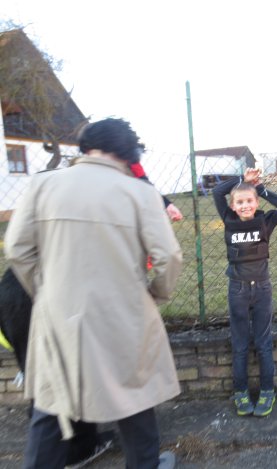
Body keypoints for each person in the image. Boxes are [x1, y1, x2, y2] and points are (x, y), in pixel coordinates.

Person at [4, 118, 183, 469]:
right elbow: (169, 257)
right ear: (129, 153)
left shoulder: (42, 185)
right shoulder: (140, 193)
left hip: (58, 315)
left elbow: (17, 249)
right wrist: (154, 295)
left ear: (86, 146)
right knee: (133, 397)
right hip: (123, 314)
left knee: (53, 402)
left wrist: (45, 292)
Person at [213, 168, 277, 417]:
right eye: (239, 202)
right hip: (237, 289)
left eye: (249, 201)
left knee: (263, 343)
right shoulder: (229, 219)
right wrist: (242, 180)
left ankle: (267, 392)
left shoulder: (265, 221)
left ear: (256, 203)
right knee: (240, 345)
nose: (245, 205)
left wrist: (259, 188)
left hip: (261, 288)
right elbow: (217, 192)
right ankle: (241, 393)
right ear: (233, 206)